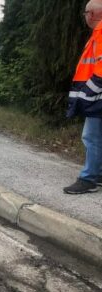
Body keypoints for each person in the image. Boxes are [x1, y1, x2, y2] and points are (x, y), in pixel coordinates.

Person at [64, 0, 102, 194]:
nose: (85, 16)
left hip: (97, 96)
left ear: (93, 14)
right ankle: (98, 173)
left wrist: (87, 93)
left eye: (86, 13)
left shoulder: (101, 33)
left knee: (91, 136)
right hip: (97, 94)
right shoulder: (97, 34)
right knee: (96, 136)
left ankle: (88, 179)